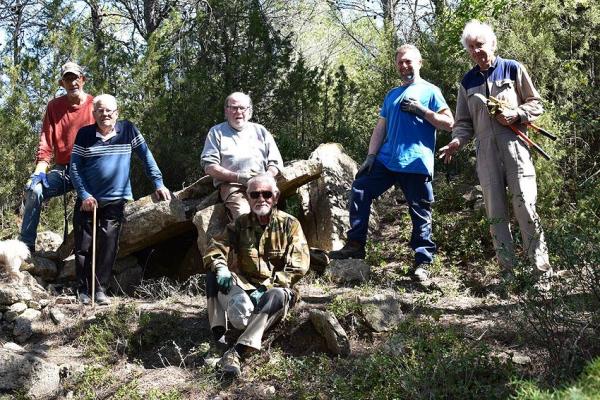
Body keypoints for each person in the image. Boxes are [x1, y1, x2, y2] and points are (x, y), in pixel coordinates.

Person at [329, 44, 454, 282]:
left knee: (420, 212)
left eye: (408, 61)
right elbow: (380, 127)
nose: (404, 65)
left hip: (416, 162)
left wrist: (422, 111)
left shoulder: (430, 91)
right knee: (360, 188)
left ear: (419, 63)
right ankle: (356, 244)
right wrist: (370, 156)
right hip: (387, 160)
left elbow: (449, 123)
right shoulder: (392, 95)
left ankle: (423, 262)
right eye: (400, 62)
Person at [439, 20, 551, 277]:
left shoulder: (512, 69)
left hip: (516, 148)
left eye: (480, 45)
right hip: (486, 153)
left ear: (492, 44)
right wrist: (457, 141)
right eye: (471, 47)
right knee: (496, 214)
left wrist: (517, 114)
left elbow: (536, 103)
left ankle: (540, 273)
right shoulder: (467, 82)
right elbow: (463, 122)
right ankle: (508, 274)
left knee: (526, 207)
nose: (476, 51)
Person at [204, 174, 309, 377]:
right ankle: (219, 340)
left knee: (276, 295)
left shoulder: (290, 224)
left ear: (276, 197)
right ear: (248, 198)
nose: (261, 199)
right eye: (255, 194)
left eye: (267, 194)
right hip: (246, 287)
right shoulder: (240, 224)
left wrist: (267, 286)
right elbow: (216, 247)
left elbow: (298, 266)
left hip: (277, 289)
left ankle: (237, 351)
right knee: (212, 274)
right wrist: (221, 267)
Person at [70, 94, 171, 305]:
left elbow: (146, 156)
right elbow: (75, 167)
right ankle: (82, 290)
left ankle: (100, 290)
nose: (105, 114)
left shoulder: (128, 130)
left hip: (116, 200)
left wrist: (158, 183)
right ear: (93, 113)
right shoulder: (85, 134)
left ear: (116, 112)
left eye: (109, 110)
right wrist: (84, 195)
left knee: (108, 245)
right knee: (83, 246)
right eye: (100, 110)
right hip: (88, 201)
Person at [20, 62, 95, 252]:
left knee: (92, 205)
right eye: (68, 79)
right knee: (34, 190)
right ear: (62, 84)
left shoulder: (95, 105)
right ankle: (26, 247)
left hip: (90, 169)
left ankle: (90, 253)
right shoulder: (54, 107)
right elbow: (46, 141)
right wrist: (39, 171)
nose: (72, 83)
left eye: (75, 78)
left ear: (83, 80)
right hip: (65, 170)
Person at [201, 92, 283, 221]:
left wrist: (267, 176)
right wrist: (239, 177)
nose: (238, 112)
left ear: (249, 111)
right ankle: (247, 240)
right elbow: (210, 167)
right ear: (226, 111)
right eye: (233, 108)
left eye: (242, 108)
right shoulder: (216, 132)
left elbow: (275, 162)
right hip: (233, 186)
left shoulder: (261, 131)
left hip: (262, 184)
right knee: (244, 216)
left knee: (271, 217)